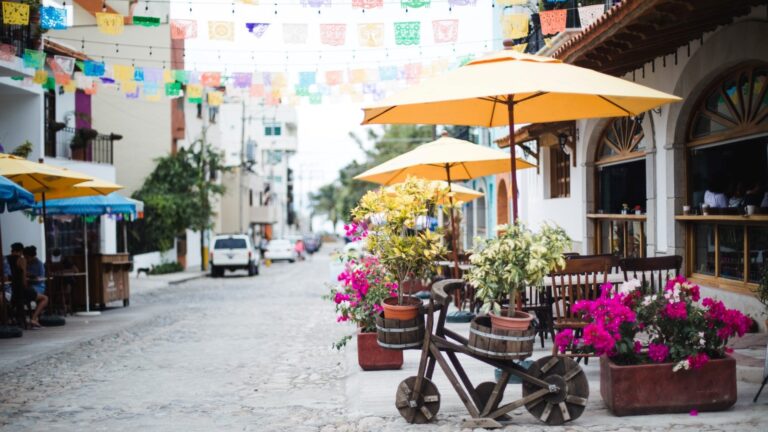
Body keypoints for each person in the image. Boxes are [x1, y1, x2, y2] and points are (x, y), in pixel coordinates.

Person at [5, 243, 45, 328]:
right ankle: (33, 319)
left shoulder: (5, 259)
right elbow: (23, 278)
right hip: (20, 290)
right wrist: (26, 286)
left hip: (10, 289)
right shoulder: (21, 260)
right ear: (21, 251)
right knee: (45, 298)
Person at [23, 246, 48, 327]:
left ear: (31, 256)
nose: (26, 259)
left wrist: (30, 276)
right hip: (29, 286)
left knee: (40, 296)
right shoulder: (25, 263)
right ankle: (34, 318)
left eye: (27, 257)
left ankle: (34, 317)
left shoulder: (39, 264)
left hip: (38, 285)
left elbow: (40, 278)